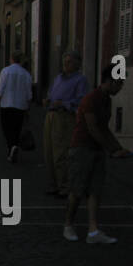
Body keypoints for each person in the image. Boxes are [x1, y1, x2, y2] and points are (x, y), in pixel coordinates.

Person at [64, 64, 128, 244]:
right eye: (119, 83)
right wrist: (112, 150)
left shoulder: (107, 100)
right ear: (109, 81)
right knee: (77, 189)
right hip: (81, 148)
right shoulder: (90, 99)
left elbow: (104, 128)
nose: (121, 87)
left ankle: (93, 231)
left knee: (95, 190)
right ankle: (68, 224)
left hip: (97, 149)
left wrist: (118, 147)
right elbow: (93, 128)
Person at [42, 51, 89, 198]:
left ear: (77, 64)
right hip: (51, 115)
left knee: (61, 153)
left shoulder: (80, 80)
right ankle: (53, 184)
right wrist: (48, 100)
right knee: (49, 152)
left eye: (69, 62)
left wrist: (64, 103)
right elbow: (51, 93)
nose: (65, 64)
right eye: (65, 61)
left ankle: (64, 186)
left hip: (64, 117)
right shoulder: (58, 78)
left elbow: (81, 100)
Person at [0, 50, 33, 162]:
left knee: (6, 128)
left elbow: (0, 90)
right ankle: (14, 145)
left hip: (6, 104)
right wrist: (28, 109)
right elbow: (29, 94)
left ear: (11, 59)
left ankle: (11, 146)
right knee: (17, 128)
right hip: (20, 106)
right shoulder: (26, 74)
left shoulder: (5, 71)